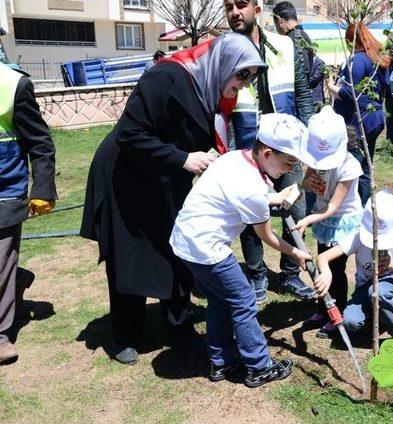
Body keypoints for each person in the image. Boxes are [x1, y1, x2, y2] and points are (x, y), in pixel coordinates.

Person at [80, 33, 267, 365]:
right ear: (223, 64)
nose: (245, 83)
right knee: (130, 253)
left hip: (165, 175)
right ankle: (124, 333)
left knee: (178, 245)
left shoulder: (215, 92)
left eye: (250, 77)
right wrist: (183, 159)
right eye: (241, 74)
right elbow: (130, 134)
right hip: (126, 174)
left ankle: (179, 326)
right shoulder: (167, 76)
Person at [170, 113, 312, 387]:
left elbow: (247, 194)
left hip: (185, 242)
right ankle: (259, 366)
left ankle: (221, 362)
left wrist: (275, 197)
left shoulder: (235, 158)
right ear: (268, 153)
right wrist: (296, 254)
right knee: (244, 300)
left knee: (220, 301)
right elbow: (268, 236)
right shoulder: (252, 188)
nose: (288, 170)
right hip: (206, 248)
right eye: (287, 164)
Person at [225, 0, 316, 302]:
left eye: (240, 4)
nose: (235, 12)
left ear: (257, 7)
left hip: (286, 147)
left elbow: (302, 93)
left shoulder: (285, 45)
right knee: (252, 215)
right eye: (228, 6)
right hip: (247, 146)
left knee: (298, 209)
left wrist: (306, 143)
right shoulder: (225, 52)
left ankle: (290, 274)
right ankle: (256, 275)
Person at [0, 63, 57, 364]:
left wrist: (43, 188)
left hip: (5, 190)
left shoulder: (12, 85)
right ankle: (16, 278)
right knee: (4, 266)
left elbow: (40, 142)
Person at [294, 106, 363, 338]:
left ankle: (338, 310)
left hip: (343, 221)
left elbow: (334, 206)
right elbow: (305, 184)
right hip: (323, 219)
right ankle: (323, 308)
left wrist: (309, 218)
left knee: (336, 268)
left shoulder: (349, 166)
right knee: (319, 264)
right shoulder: (316, 159)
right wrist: (309, 183)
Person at [314, 190, 393, 340]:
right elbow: (323, 257)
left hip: (391, 287)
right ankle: (381, 315)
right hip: (364, 288)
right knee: (350, 322)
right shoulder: (358, 238)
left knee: (378, 293)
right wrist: (326, 273)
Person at [328, 22, 390, 206]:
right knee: (367, 162)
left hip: (359, 121)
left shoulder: (358, 60)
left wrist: (332, 87)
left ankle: (361, 203)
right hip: (374, 117)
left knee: (357, 165)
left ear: (350, 40)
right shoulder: (377, 59)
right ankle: (367, 200)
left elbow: (354, 95)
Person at [272, 1, 314, 80]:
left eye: (275, 24)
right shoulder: (301, 34)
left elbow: (303, 70)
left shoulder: (294, 38)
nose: (276, 28)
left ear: (281, 21)